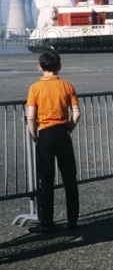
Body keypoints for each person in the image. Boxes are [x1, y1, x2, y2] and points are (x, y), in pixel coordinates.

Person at [26, 50, 80, 233]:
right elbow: (76, 113)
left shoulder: (35, 88)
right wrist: (68, 128)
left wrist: (35, 135)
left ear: (40, 67)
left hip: (45, 135)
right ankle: (73, 220)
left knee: (46, 180)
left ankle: (47, 222)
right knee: (69, 179)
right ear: (59, 66)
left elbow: (31, 117)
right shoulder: (67, 86)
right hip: (63, 134)